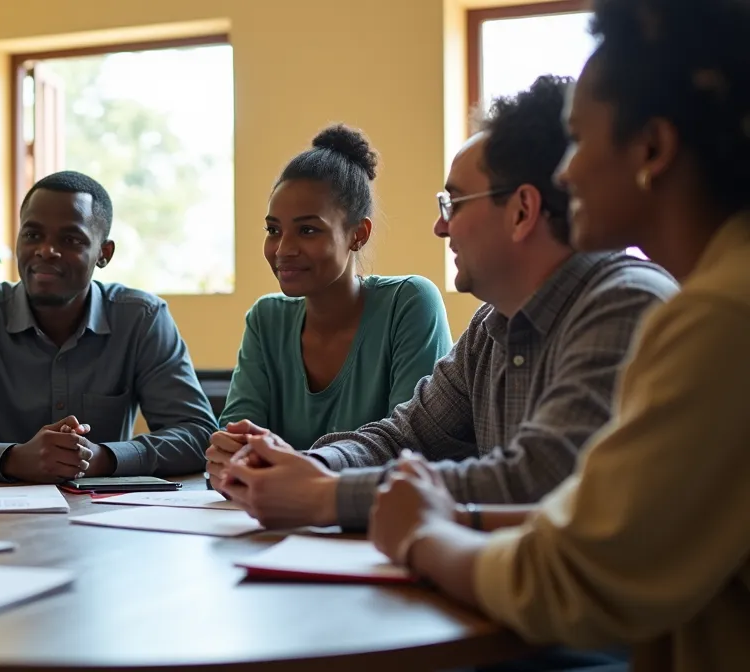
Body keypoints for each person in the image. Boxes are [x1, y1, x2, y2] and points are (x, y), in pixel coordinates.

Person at [371, 1, 750, 669]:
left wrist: (424, 536)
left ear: (652, 150)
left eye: (578, 140)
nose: (563, 173)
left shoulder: (717, 318)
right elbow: (614, 523)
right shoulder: (710, 297)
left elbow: (570, 575)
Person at [216, 74, 677, 531]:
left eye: (453, 204)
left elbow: (540, 479)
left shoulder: (624, 304)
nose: (441, 227)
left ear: (522, 211)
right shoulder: (490, 327)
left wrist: (327, 495)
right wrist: (306, 466)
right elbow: (403, 436)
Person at [0, 170, 216, 483]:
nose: (46, 250)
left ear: (103, 254)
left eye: (70, 239)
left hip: (108, 514)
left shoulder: (141, 318)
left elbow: (197, 433)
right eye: (32, 235)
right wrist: (12, 458)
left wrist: (102, 457)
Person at [210, 124, 451, 487]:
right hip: (280, 524)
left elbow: (412, 453)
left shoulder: (410, 303)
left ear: (358, 234)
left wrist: (289, 467)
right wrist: (227, 456)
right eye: (273, 230)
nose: (283, 249)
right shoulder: (266, 319)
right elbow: (233, 452)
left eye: (308, 230)